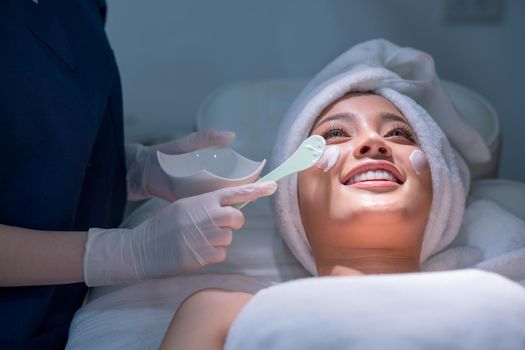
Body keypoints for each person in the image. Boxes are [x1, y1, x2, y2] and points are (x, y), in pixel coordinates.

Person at [158, 39, 523, 349]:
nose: (372, 143)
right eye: (334, 134)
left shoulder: (502, 300)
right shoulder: (218, 314)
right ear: (292, 199)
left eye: (399, 134)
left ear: (441, 190)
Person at [0, 1, 276, 348]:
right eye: (336, 131)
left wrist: (131, 169)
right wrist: (123, 253)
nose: (367, 144)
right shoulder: (211, 309)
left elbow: (47, 130)